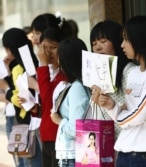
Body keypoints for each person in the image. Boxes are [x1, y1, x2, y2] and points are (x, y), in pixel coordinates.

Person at [94, 15, 146, 167]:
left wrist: (118, 113)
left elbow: (139, 114)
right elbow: (126, 111)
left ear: (139, 39)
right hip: (124, 151)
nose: (122, 45)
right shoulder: (134, 73)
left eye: (126, 40)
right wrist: (110, 105)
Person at [1, 28, 42, 167]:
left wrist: (6, 89)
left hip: (28, 123)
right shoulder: (33, 61)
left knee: (28, 162)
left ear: (10, 49)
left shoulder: (19, 68)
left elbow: (20, 99)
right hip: (36, 121)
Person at [90, 20, 134, 140]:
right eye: (94, 44)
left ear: (117, 42)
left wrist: (112, 105)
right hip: (102, 142)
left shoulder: (130, 72)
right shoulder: (95, 75)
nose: (98, 47)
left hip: (124, 141)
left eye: (103, 41)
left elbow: (135, 107)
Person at [50, 38, 89, 167]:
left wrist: (59, 120)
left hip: (73, 154)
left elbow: (75, 129)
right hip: (75, 154)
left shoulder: (77, 88)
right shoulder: (81, 85)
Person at [36, 26, 68, 167]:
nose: (47, 52)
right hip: (46, 136)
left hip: (58, 137)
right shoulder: (51, 72)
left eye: (53, 47)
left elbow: (48, 100)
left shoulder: (65, 74)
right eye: (45, 47)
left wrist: (43, 64)